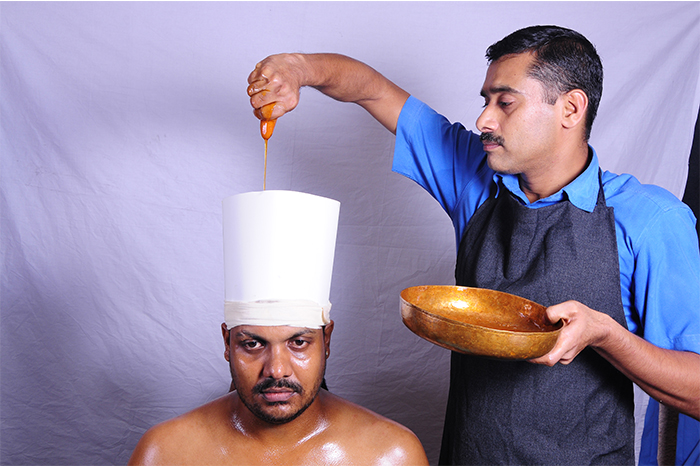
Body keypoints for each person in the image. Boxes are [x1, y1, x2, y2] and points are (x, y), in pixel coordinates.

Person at [247, 26, 700, 465]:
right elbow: (371, 90)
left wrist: (607, 335)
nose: (484, 119)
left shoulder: (651, 221)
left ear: (570, 108)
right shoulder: (475, 180)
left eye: (506, 103)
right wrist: (298, 67)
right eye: (486, 101)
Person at [128, 191, 429, 466]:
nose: (276, 370)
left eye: (298, 342)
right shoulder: (165, 454)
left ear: (326, 339)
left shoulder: (390, 456)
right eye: (253, 344)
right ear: (226, 342)